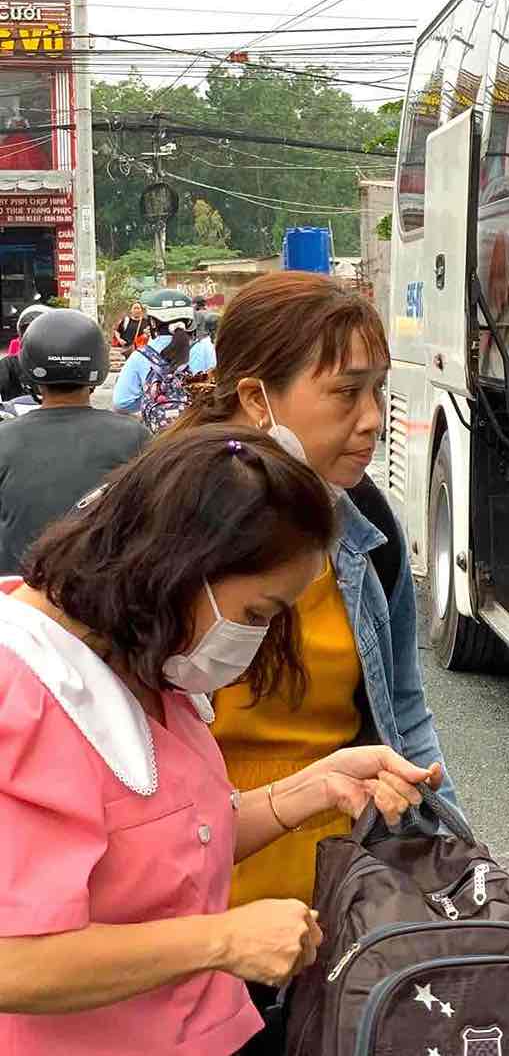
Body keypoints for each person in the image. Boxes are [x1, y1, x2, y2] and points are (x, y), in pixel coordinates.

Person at [0, 425, 444, 1055]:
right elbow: (13, 962)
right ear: (179, 566)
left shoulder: (146, 660)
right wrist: (223, 940)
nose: (257, 639)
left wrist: (316, 784)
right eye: (257, 614)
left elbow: (180, 842)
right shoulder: (24, 691)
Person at [165, 270, 456, 1046]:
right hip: (184, 930)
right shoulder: (162, 532)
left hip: (337, 918)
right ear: (258, 399)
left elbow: (404, 712)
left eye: (379, 393)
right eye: (345, 394)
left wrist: (454, 854)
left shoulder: (368, 530)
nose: (371, 422)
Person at [0, 309, 148, 574]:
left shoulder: (4, 436)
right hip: (103, 593)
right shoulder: (133, 435)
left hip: (20, 599)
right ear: (99, 367)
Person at [115, 322, 202, 431]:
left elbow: (121, 402)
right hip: (195, 436)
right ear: (189, 322)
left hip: (157, 440)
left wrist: (150, 398)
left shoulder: (140, 355)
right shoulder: (203, 348)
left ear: (153, 322)